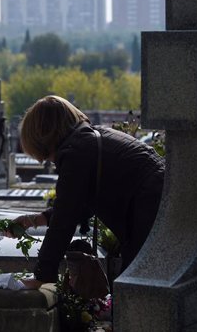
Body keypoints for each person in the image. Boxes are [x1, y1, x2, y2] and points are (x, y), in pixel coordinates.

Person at [12, 96, 165, 290]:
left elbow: (64, 220)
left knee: (133, 293)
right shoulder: (90, 139)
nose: (49, 161)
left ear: (44, 136)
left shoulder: (76, 153)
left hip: (149, 211)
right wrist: (36, 219)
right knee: (133, 290)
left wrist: (43, 275)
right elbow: (78, 204)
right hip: (159, 204)